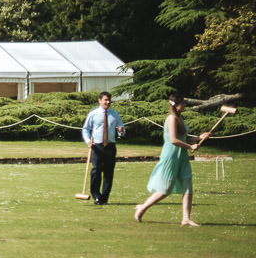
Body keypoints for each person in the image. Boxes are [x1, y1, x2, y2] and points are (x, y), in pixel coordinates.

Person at [135, 93, 210, 227]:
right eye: (184, 103)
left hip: (182, 156)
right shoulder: (172, 119)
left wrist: (199, 138)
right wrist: (190, 146)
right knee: (166, 189)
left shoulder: (179, 118)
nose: (185, 105)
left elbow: (184, 139)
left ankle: (186, 218)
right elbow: (174, 140)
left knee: (188, 186)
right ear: (178, 105)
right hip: (171, 156)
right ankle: (142, 207)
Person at [80, 91, 125, 205]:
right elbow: (85, 129)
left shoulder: (114, 114)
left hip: (110, 146)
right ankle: (96, 195)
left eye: (109, 100)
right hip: (97, 146)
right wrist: (87, 141)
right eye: (105, 100)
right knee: (96, 170)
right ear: (100, 101)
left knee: (109, 172)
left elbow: (122, 130)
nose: (108, 102)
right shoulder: (93, 114)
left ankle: (104, 198)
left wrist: (121, 131)